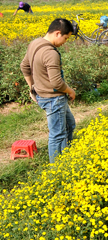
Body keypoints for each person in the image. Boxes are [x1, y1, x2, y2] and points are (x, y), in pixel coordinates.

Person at [20, 18, 76, 163]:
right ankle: (58, 167)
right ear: (58, 33)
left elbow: (24, 66)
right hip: (53, 99)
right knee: (58, 135)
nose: (65, 42)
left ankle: (67, 154)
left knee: (70, 125)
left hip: (45, 95)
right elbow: (57, 82)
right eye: (66, 38)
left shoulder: (34, 43)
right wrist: (70, 91)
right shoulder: (51, 53)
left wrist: (31, 87)